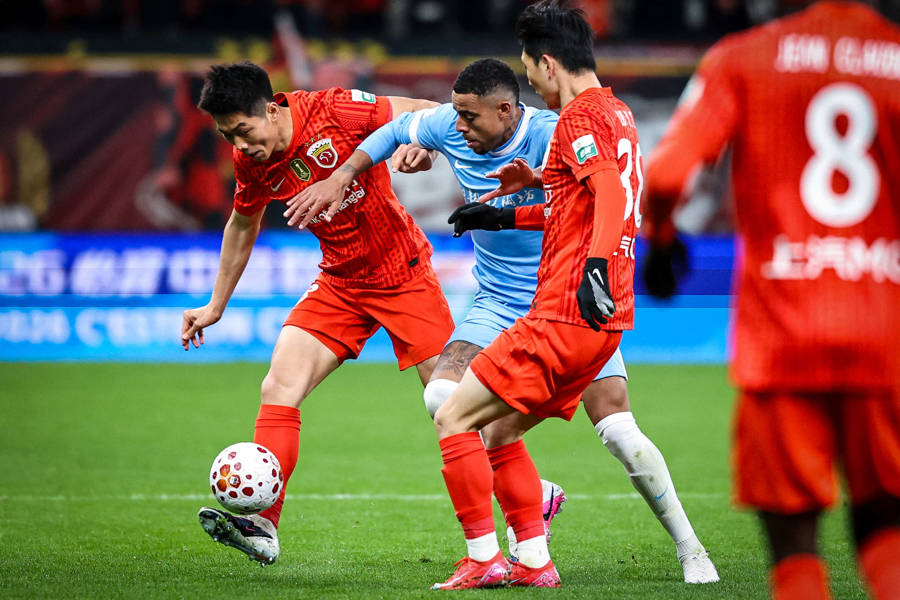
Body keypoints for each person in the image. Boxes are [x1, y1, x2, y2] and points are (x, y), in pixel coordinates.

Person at [287, 56, 717, 584]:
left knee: (618, 430)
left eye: (470, 117)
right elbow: (394, 130)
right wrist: (349, 173)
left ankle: (691, 549)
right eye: (456, 116)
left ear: (507, 110)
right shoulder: (451, 125)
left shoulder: (555, 132)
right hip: (497, 302)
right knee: (443, 398)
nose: (458, 126)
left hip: (566, 302)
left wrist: (567, 237)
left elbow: (595, 202)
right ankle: (533, 512)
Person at [642, 2, 900, 599]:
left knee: (795, 547)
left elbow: (667, 175)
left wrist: (661, 239)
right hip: (884, 331)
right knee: (885, 527)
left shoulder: (742, 58)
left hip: (783, 333)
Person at [181, 61, 456, 566]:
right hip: (340, 283)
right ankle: (262, 526)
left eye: (243, 130)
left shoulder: (336, 110)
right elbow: (242, 224)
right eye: (227, 136)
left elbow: (428, 110)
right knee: (278, 387)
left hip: (403, 275)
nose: (239, 145)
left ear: (271, 109)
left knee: (453, 407)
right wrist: (215, 304)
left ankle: (532, 500)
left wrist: (425, 143)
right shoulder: (252, 162)